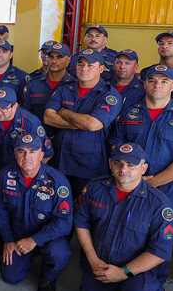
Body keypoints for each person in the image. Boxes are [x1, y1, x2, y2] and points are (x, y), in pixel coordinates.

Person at [75, 143, 173, 291]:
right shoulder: (94, 187)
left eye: (131, 165)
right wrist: (93, 259)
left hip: (138, 271)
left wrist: (123, 273)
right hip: (100, 262)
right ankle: (103, 289)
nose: (123, 169)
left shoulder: (160, 205)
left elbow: (159, 252)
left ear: (144, 168)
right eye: (118, 163)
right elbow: (81, 222)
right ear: (110, 165)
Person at [109, 64, 173, 212]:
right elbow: (116, 145)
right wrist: (129, 178)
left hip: (166, 191)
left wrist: (151, 182)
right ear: (144, 84)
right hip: (127, 186)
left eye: (164, 81)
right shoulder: (127, 112)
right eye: (152, 80)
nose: (157, 85)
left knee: (159, 232)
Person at [0, 133, 74, 291]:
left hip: (48, 237)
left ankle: (48, 278)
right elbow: (0, 211)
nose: (26, 156)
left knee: (58, 253)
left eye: (32, 151)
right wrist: (8, 239)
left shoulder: (58, 182)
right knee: (10, 277)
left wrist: (34, 240)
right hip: (18, 233)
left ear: (42, 155)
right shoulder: (4, 176)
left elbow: (64, 222)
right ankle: (13, 250)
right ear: (14, 154)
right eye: (21, 151)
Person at [44, 49, 123, 196]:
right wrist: (81, 123)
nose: (84, 68)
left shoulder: (110, 95)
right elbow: (48, 117)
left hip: (89, 167)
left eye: (90, 65)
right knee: (57, 205)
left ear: (101, 69)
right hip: (60, 161)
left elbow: (92, 124)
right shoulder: (65, 88)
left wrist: (64, 112)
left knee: (85, 210)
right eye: (81, 64)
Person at [0, 86, 53, 229]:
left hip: (21, 171)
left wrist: (29, 172)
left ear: (15, 106)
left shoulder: (30, 123)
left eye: (4, 108)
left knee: (18, 210)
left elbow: (47, 153)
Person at [22, 42, 73, 125]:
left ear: (68, 60)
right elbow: (25, 113)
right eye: (51, 57)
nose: (54, 61)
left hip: (64, 135)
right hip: (36, 134)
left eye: (59, 57)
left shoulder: (74, 86)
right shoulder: (33, 84)